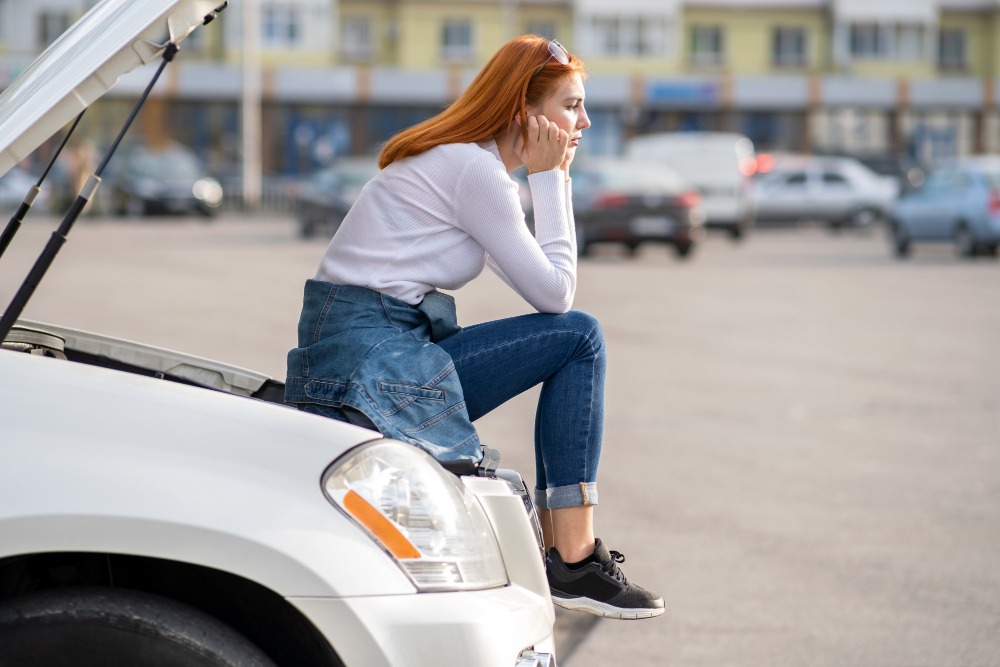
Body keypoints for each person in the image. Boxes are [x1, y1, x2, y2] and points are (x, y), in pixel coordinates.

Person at [286, 35, 663, 620]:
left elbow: (540, 282)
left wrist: (542, 175)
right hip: (370, 367)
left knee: (574, 338)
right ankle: (573, 555)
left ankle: (570, 555)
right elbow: (556, 294)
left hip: (374, 354)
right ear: (526, 111)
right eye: (571, 105)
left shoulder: (464, 164)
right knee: (580, 337)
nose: (584, 120)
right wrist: (552, 179)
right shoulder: (472, 170)